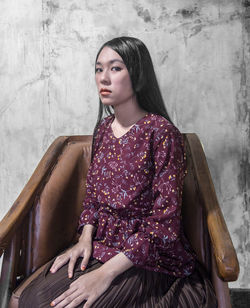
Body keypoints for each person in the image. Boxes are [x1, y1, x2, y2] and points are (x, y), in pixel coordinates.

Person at [19, 37, 217, 307]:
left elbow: (164, 224)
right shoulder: (103, 129)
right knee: (35, 299)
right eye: (98, 69)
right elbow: (92, 196)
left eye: (115, 68)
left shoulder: (161, 133)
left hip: (149, 259)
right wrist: (84, 239)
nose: (103, 78)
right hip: (102, 246)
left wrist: (104, 274)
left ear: (137, 73)